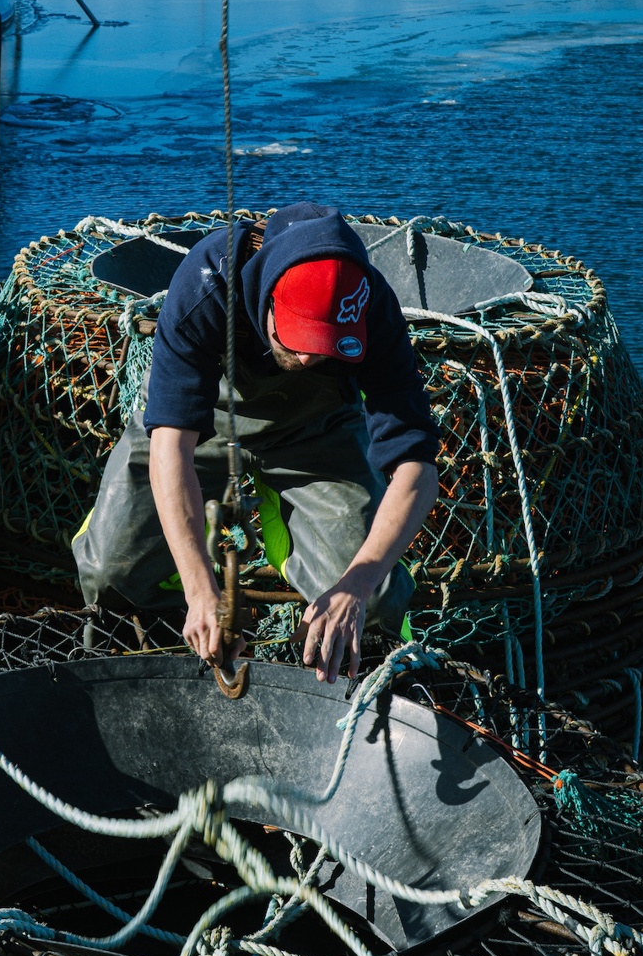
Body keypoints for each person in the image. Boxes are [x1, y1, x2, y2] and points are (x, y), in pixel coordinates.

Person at [73, 203, 440, 684]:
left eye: (326, 344)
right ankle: (175, 635)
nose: (307, 357)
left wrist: (356, 584)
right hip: (198, 426)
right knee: (110, 572)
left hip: (314, 434)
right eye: (298, 337)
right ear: (266, 299)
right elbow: (171, 447)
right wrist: (200, 590)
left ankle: (322, 634)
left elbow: (418, 467)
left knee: (377, 601)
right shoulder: (205, 283)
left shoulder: (372, 305)